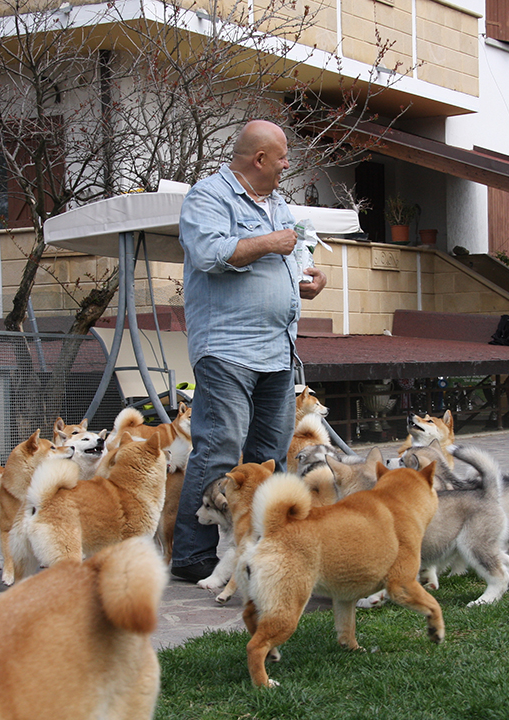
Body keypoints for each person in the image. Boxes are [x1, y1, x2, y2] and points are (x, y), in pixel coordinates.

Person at [171, 120, 326, 582]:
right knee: (219, 449)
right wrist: (270, 243)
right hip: (227, 348)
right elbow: (209, 253)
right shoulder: (208, 197)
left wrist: (309, 278)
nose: (285, 166)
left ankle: (261, 545)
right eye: (281, 158)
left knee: (269, 455)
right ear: (259, 159)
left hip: (278, 349)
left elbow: (294, 257)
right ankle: (191, 555)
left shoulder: (278, 204)